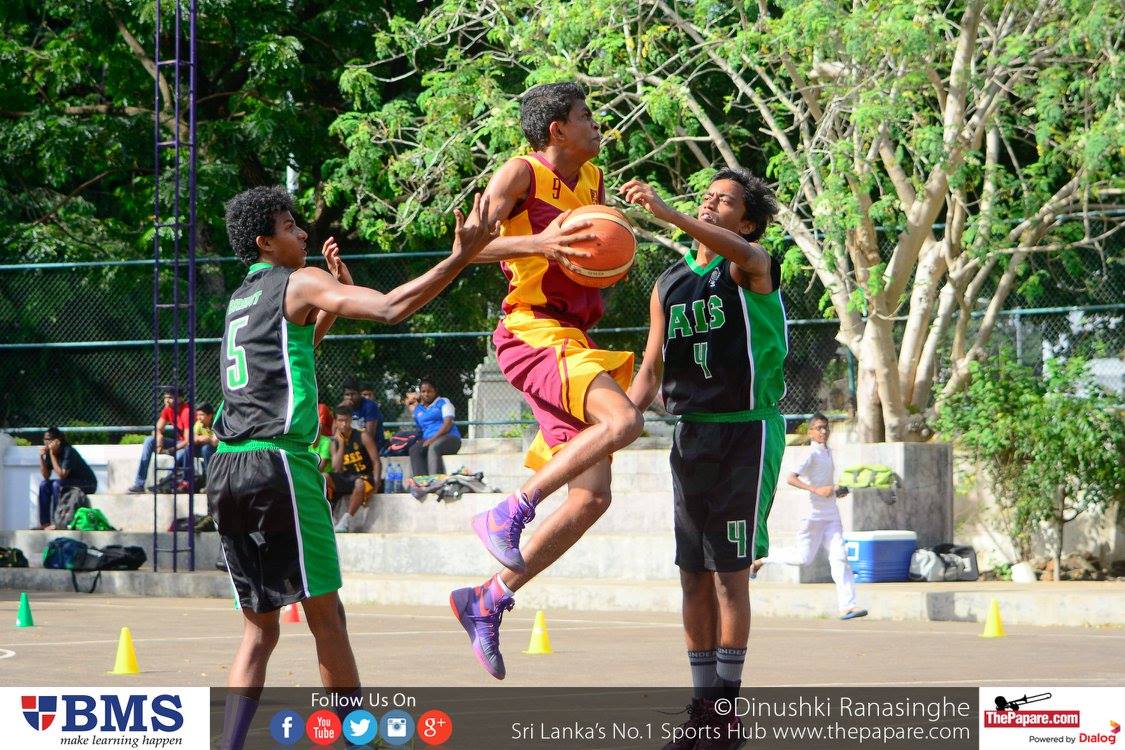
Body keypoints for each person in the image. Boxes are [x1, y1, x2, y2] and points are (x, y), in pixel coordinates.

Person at [208, 184, 495, 750]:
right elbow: (389, 308)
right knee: (327, 617)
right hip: (278, 466)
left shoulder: (240, 300)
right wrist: (460, 257)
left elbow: (292, 352)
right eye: (290, 226)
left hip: (227, 469)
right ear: (265, 241)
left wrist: (329, 303)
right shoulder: (297, 281)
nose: (303, 233)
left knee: (260, 629)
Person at [450, 81, 644, 680]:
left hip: (571, 336)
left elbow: (593, 255)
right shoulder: (520, 173)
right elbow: (465, 248)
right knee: (624, 420)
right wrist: (540, 242)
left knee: (592, 497)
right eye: (586, 115)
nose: (596, 123)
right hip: (531, 330)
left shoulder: (594, 181)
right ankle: (512, 508)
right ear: (557, 128)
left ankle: (489, 597)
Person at [623, 168, 785, 749]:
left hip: (746, 433)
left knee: (729, 579)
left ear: (747, 223)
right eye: (707, 197)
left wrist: (668, 214)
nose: (712, 204)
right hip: (691, 436)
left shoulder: (751, 265)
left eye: (726, 202)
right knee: (692, 575)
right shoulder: (668, 284)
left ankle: (725, 714)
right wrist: (617, 423)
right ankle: (702, 711)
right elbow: (650, 370)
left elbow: (741, 252)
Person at [760, 413, 868, 621]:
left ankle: (848, 606)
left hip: (831, 514)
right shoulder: (810, 454)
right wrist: (816, 490)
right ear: (810, 432)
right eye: (819, 428)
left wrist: (836, 490)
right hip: (812, 514)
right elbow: (791, 478)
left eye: (825, 427)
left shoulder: (829, 452)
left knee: (840, 557)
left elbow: (826, 483)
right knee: (803, 558)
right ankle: (763, 559)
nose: (823, 431)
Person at [127, 388, 191, 493]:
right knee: (149, 440)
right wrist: (159, 437)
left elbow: (188, 440)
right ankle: (139, 484)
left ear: (180, 399)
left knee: (181, 454)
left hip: (188, 445)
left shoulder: (186, 411)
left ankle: (172, 484)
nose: (166, 400)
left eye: (170, 398)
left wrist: (169, 450)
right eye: (165, 398)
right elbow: (157, 429)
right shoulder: (167, 409)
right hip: (178, 442)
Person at [330, 403, 379, 533]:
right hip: (347, 477)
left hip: (364, 477)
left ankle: (346, 521)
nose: (343, 424)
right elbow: (336, 468)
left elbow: (376, 461)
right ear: (335, 422)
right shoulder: (335, 442)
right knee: (324, 478)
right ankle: (330, 517)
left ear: (351, 420)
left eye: (346, 420)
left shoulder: (363, 436)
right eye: (340, 421)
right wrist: (341, 444)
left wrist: (377, 483)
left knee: (359, 482)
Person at [35, 427, 97, 529]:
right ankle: (45, 523)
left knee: (57, 485)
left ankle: (57, 522)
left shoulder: (68, 451)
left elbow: (62, 475)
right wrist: (41, 457)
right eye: (44, 439)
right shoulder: (50, 452)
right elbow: (46, 476)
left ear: (57, 440)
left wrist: (52, 454)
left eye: (49, 439)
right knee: (44, 485)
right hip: (69, 482)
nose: (46, 442)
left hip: (88, 483)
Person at [408, 378, 462, 478]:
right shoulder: (418, 409)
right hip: (429, 440)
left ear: (435, 391)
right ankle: (422, 481)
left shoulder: (443, 402)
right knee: (414, 449)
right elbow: (420, 430)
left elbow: (448, 424)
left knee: (434, 446)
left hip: (450, 439)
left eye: (429, 391)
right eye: (423, 391)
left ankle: (436, 481)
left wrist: (433, 439)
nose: (426, 394)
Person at [343, 382, 385, 490]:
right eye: (347, 395)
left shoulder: (369, 406)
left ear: (359, 394)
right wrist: (342, 409)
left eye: (353, 394)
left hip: (370, 444)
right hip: (351, 446)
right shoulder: (344, 407)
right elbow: (335, 433)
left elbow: (370, 434)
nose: (350, 398)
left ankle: (371, 482)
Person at [182, 402, 219, 485]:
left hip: (217, 450)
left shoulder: (217, 424)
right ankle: (186, 481)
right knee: (188, 449)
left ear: (210, 416)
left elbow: (215, 442)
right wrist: (201, 438)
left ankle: (209, 481)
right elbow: (191, 438)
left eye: (201, 415)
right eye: (197, 415)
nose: (198, 417)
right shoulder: (199, 424)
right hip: (204, 450)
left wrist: (207, 439)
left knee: (206, 449)